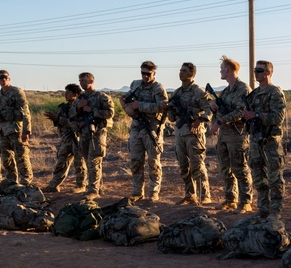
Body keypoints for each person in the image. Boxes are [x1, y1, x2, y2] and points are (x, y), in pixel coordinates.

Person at [241, 60, 286, 219]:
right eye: (255, 70)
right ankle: (263, 209)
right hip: (255, 140)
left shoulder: (275, 92)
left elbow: (278, 117)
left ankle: (275, 211)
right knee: (258, 177)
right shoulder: (253, 95)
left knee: (274, 178)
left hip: (270, 141)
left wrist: (257, 115)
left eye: (259, 70)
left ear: (268, 72)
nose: (256, 73)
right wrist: (246, 116)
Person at [209, 56, 252, 213]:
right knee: (225, 169)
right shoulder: (225, 91)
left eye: (222, 68)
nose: (220, 71)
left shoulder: (243, 89)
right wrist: (214, 107)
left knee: (240, 169)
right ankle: (230, 199)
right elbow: (220, 112)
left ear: (228, 70)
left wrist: (219, 122)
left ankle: (245, 201)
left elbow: (241, 111)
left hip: (237, 136)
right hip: (224, 136)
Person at [166, 62, 213, 205]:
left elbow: (209, 109)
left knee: (197, 165)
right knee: (183, 166)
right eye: (180, 70)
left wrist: (200, 120)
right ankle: (189, 194)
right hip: (180, 133)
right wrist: (169, 109)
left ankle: (204, 196)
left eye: (184, 71)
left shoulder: (198, 91)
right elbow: (172, 117)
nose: (181, 73)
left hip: (194, 133)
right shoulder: (177, 93)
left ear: (192, 74)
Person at [124, 61, 168, 202]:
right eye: (143, 73)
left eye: (148, 74)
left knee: (153, 162)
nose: (145, 76)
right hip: (137, 126)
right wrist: (127, 108)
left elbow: (162, 107)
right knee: (136, 160)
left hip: (152, 127)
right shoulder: (136, 85)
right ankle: (137, 191)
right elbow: (125, 98)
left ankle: (154, 192)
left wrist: (140, 106)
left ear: (154, 73)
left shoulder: (158, 88)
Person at [70, 72, 115, 198]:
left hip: (97, 132)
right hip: (83, 132)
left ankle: (93, 190)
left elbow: (110, 113)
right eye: (80, 81)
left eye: (83, 80)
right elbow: (71, 114)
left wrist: (93, 111)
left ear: (91, 81)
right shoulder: (80, 98)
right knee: (87, 160)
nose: (81, 83)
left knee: (94, 160)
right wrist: (79, 107)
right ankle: (97, 188)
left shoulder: (101, 97)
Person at [0, 70, 32, 185]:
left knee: (21, 156)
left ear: (9, 78)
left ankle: (26, 182)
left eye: (5, 77)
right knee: (6, 159)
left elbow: (25, 112)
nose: (3, 80)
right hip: (3, 131)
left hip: (16, 129)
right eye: (0, 78)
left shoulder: (16, 92)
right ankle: (12, 181)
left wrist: (26, 131)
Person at [42, 83, 86, 193]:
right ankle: (54, 185)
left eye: (68, 92)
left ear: (75, 94)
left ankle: (81, 185)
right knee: (61, 162)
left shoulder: (80, 107)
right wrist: (56, 121)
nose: (66, 94)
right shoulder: (64, 107)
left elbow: (74, 123)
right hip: (66, 139)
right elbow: (61, 124)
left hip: (77, 138)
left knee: (79, 163)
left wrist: (58, 119)